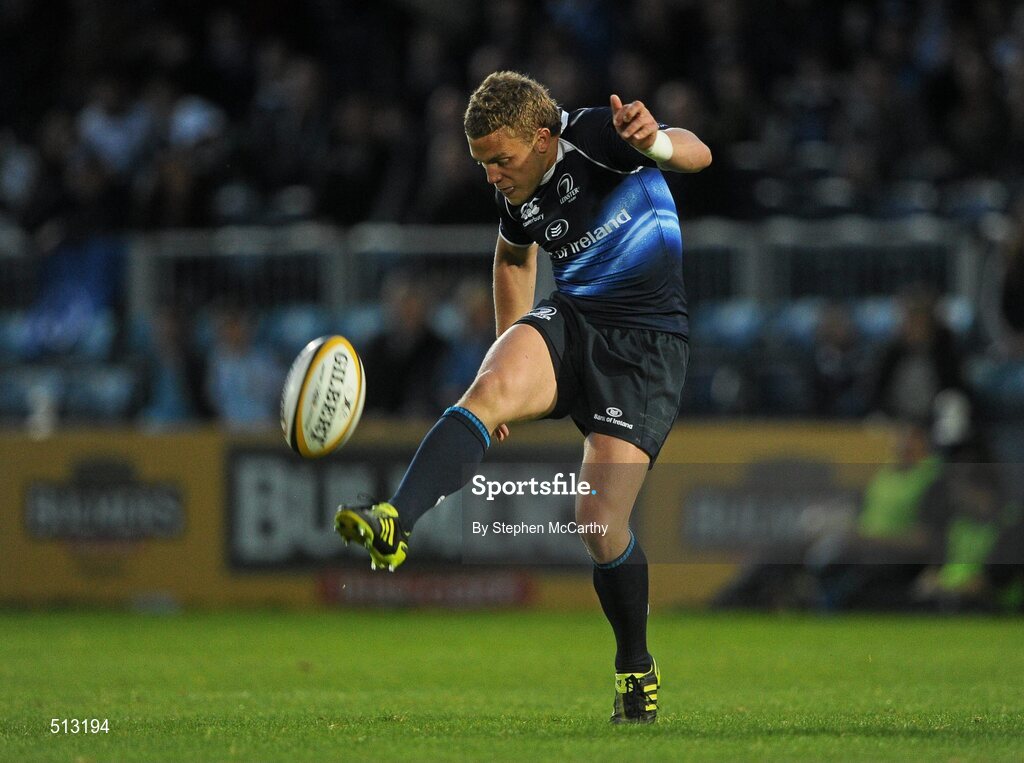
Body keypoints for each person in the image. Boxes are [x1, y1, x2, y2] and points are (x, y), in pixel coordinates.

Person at [334, 71, 711, 723]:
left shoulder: (593, 134)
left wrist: (656, 144)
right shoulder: (519, 191)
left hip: (647, 348)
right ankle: (396, 518)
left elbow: (699, 152)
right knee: (489, 389)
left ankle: (635, 668)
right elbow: (512, 262)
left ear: (541, 138)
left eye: (499, 160)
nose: (492, 176)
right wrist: (512, 352)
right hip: (574, 320)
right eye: (482, 163)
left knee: (596, 520)